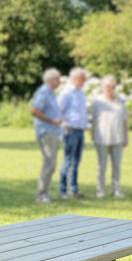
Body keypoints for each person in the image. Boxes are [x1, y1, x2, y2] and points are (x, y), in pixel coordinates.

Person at [89, 75, 129, 199]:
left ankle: (116, 190)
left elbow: (124, 120)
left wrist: (126, 137)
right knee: (102, 166)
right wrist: (92, 135)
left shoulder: (121, 101)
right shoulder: (97, 102)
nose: (109, 89)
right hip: (101, 137)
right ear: (102, 87)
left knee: (116, 166)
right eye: (107, 86)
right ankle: (100, 190)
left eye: (112, 86)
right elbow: (93, 120)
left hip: (117, 137)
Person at [29, 68, 64, 203]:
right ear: (51, 80)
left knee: (51, 163)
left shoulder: (50, 93)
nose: (60, 82)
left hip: (53, 132)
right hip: (46, 132)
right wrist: (51, 120)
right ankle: (41, 194)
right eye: (58, 79)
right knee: (49, 163)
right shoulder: (43, 92)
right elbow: (34, 110)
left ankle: (44, 193)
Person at [57, 67, 89, 200]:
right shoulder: (66, 93)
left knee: (76, 161)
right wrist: (63, 125)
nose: (82, 81)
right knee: (68, 160)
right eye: (80, 79)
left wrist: (86, 125)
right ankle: (63, 191)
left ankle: (74, 190)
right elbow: (58, 110)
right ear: (73, 78)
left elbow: (81, 112)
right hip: (70, 130)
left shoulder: (80, 93)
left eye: (83, 79)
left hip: (80, 130)